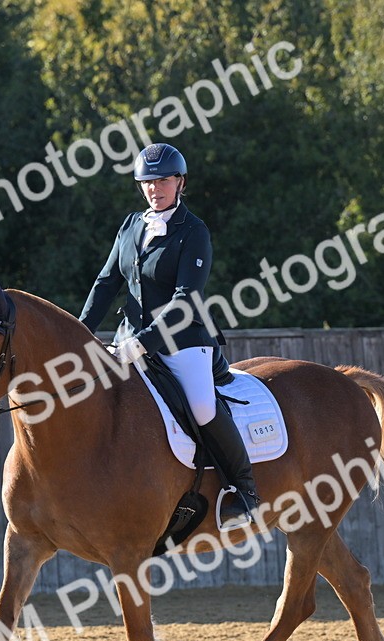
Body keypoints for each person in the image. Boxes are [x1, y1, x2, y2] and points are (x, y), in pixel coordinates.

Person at [79, 142, 261, 531]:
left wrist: (144, 342)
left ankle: (245, 491)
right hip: (129, 339)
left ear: (180, 182)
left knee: (203, 407)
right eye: (147, 181)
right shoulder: (131, 225)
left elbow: (185, 300)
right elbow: (106, 283)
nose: (154, 188)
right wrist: (80, 334)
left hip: (183, 341)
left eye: (163, 180)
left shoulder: (193, 231)